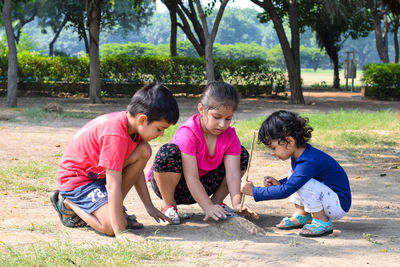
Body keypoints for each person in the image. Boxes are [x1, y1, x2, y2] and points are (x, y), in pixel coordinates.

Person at [50, 83, 179, 237]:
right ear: (142, 119)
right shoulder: (115, 134)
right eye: (159, 129)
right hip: (78, 181)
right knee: (110, 227)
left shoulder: (133, 128)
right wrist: (121, 231)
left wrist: (149, 206)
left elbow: (136, 172)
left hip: (96, 176)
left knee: (144, 150)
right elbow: (112, 185)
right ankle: (67, 202)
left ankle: (109, 211)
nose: (161, 135)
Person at [147, 81, 258, 224]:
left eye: (228, 119)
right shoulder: (188, 132)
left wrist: (237, 204)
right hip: (176, 185)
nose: (222, 124)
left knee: (242, 155)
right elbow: (191, 177)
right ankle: (169, 205)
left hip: (204, 185)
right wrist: (207, 207)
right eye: (217, 117)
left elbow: (233, 175)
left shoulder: (230, 135)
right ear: (201, 109)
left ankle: (217, 204)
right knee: (167, 153)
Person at [241, 110, 351, 237]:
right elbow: (294, 180)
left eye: (273, 148)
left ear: (290, 141)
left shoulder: (309, 161)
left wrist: (254, 191)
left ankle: (322, 221)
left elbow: (286, 191)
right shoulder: (301, 155)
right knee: (294, 174)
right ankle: (303, 214)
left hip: (338, 204)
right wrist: (279, 183)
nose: (272, 152)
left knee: (304, 184)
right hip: (329, 198)